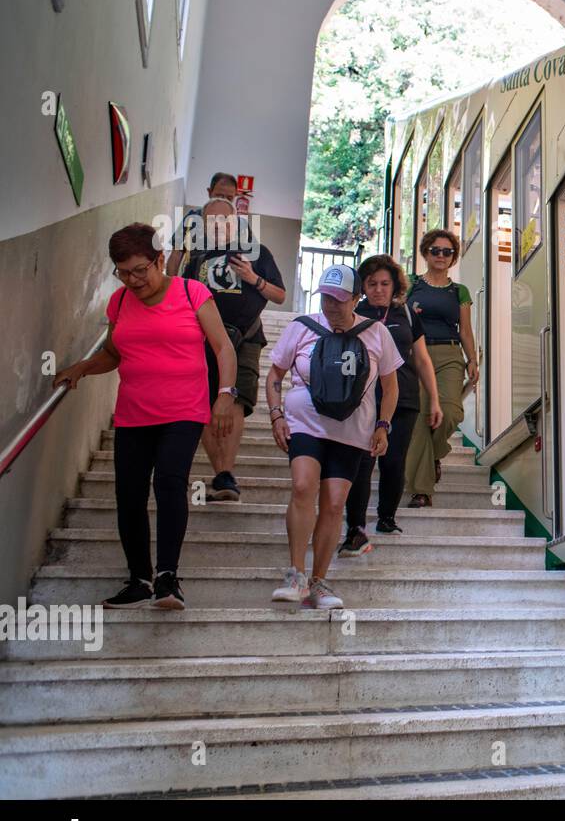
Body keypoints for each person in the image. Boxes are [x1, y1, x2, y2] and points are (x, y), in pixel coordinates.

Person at [53, 223, 236, 610]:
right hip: (134, 413)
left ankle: (167, 578)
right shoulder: (119, 303)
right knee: (128, 495)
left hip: (184, 410)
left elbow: (223, 348)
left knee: (170, 482)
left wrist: (224, 395)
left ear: (159, 260)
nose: (133, 280)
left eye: (140, 270)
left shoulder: (192, 292)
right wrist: (82, 368)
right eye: (123, 272)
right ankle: (139, 578)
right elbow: (114, 355)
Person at [264, 264, 402, 608]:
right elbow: (274, 376)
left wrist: (383, 425)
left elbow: (391, 385)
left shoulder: (377, 333)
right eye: (326, 297)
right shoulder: (301, 327)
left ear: (357, 298)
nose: (331, 305)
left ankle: (319, 581)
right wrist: (276, 415)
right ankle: (296, 574)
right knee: (302, 486)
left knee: (335, 503)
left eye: (339, 299)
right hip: (305, 422)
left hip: (353, 430)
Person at [178, 197, 286, 501]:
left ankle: (225, 474)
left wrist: (253, 278)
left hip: (245, 338)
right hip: (203, 340)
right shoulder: (196, 257)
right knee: (202, 405)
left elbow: (279, 295)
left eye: (222, 220)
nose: (216, 226)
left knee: (235, 400)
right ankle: (222, 474)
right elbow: (182, 295)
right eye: (209, 220)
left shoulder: (257, 252)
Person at [338, 255, 443, 557]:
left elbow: (422, 359)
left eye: (385, 284)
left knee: (394, 462)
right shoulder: (354, 313)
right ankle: (355, 526)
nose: (379, 290)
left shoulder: (407, 314)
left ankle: (386, 518)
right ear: (363, 286)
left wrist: (433, 399)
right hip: (365, 400)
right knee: (362, 463)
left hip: (406, 398)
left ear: (395, 285)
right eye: (372, 284)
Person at [405, 229, 478, 507]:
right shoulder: (411, 284)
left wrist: (472, 359)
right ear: (425, 253)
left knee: (449, 411)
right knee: (420, 419)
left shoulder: (459, 291)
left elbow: (466, 331)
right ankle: (421, 490)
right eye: (435, 250)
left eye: (447, 252)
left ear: (453, 257)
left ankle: (435, 453)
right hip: (415, 354)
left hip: (449, 354)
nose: (441, 256)